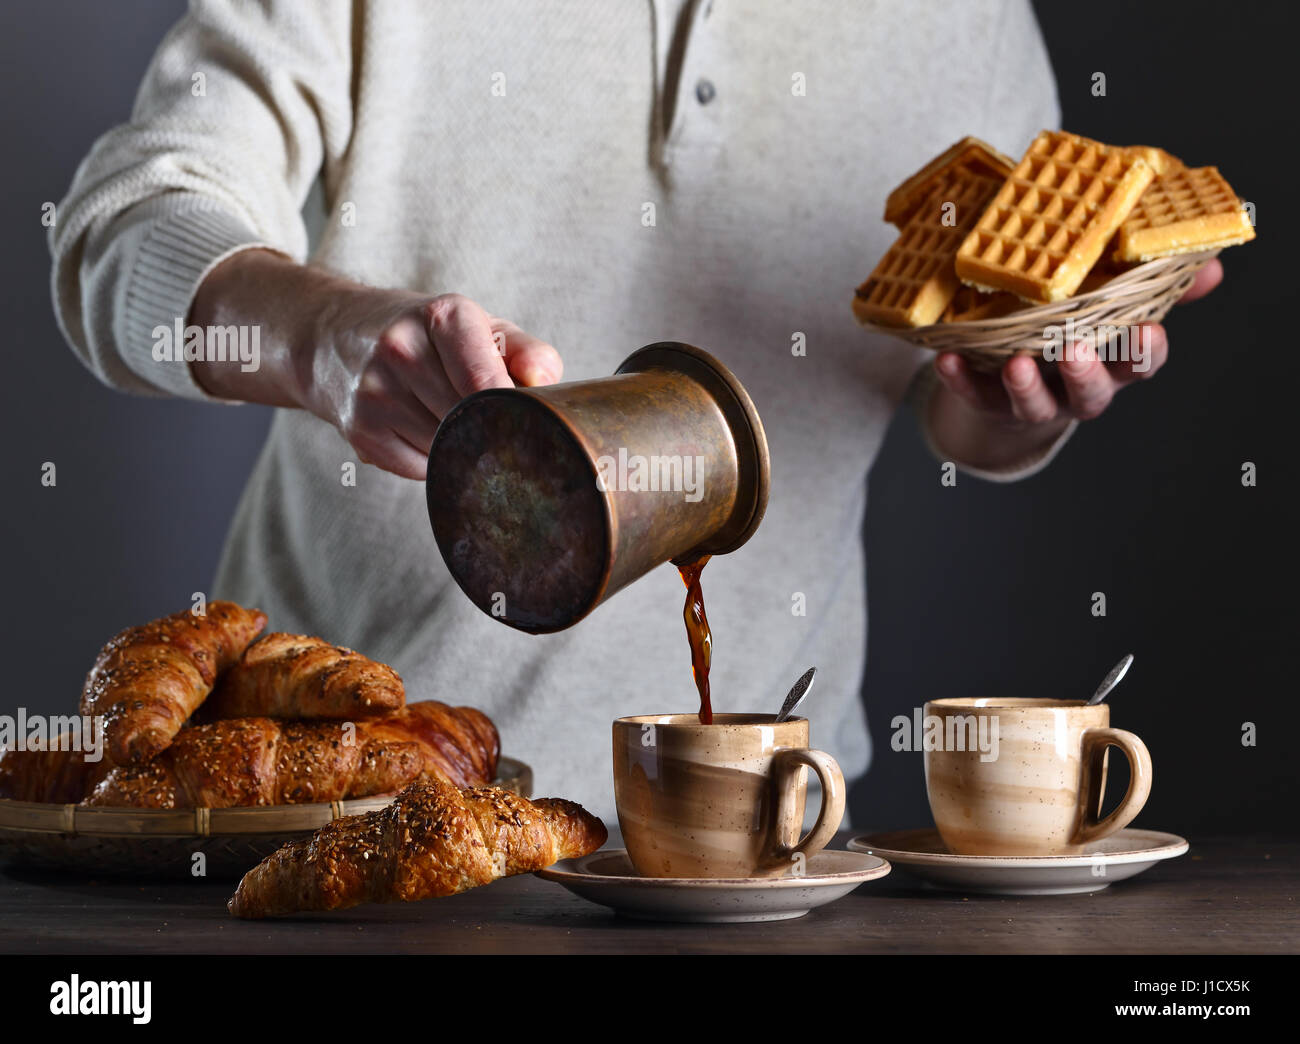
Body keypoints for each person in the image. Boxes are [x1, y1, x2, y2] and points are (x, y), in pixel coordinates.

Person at [49, 0, 1219, 822]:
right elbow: (121, 231)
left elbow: (962, 414)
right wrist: (320, 338)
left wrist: (1024, 397)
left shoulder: (967, 21)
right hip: (342, 823)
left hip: (777, 840)